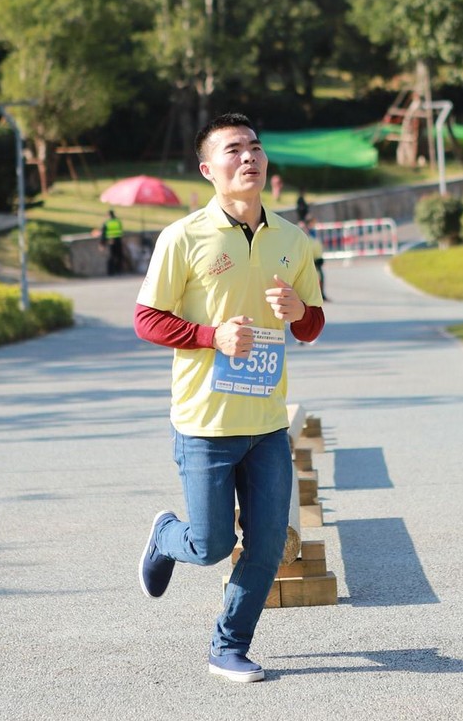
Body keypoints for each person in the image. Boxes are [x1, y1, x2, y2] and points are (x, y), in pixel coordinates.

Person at [135, 113, 325, 682]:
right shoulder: (184, 237)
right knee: (213, 543)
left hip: (266, 421)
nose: (249, 157)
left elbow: (312, 325)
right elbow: (147, 319)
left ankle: (229, 645)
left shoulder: (292, 240)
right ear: (208, 169)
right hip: (203, 421)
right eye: (234, 149)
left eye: (256, 148)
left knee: (267, 544)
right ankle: (169, 536)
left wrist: (299, 313)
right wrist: (209, 336)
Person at [300, 218, 327, 301]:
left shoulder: (313, 241)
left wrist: (318, 260)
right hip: (301, 265)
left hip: (313, 263)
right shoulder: (296, 241)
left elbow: (317, 250)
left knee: (320, 275)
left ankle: (321, 294)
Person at [100, 208, 125, 276]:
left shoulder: (107, 223)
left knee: (111, 256)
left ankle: (111, 271)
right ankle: (119, 270)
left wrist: (102, 243)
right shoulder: (118, 221)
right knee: (119, 256)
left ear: (108, 215)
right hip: (118, 241)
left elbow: (103, 234)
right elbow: (121, 231)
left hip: (111, 241)